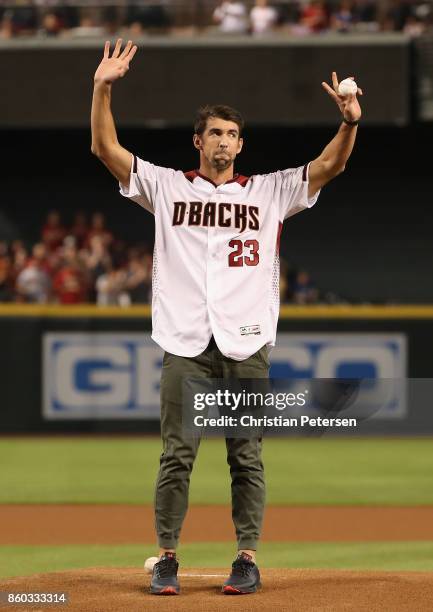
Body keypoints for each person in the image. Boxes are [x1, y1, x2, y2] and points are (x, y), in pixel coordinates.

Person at [91, 38, 362, 596]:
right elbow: (106, 148)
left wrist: (350, 122)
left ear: (241, 144)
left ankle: (246, 556)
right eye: (215, 131)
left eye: (233, 133)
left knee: (246, 455)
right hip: (185, 340)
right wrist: (102, 87)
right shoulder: (167, 186)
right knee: (176, 456)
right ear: (198, 141)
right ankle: (166, 557)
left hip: (246, 339)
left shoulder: (269, 191)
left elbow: (329, 165)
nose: (225, 140)